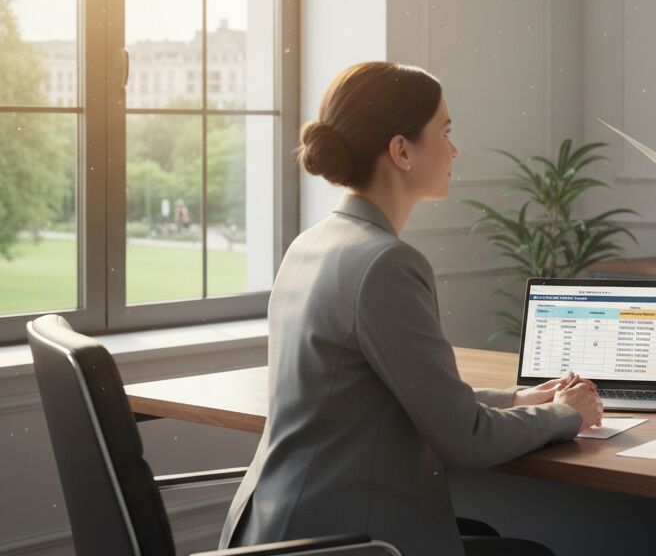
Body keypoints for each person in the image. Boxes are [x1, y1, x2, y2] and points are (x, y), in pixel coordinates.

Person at [219, 62, 602, 556]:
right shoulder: (386, 263)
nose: (454, 148)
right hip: (347, 540)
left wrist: (519, 399)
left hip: (282, 524)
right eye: (444, 131)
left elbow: (397, 395)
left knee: (486, 537)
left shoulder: (312, 243)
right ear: (401, 151)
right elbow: (466, 439)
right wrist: (562, 414)